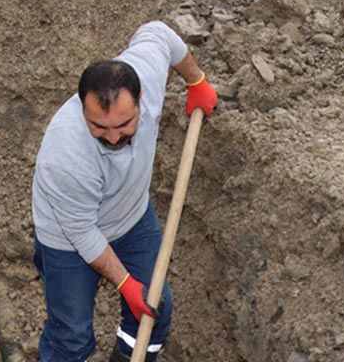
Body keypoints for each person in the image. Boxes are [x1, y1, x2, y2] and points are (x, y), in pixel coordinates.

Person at [31, 21, 218, 362]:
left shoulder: (145, 72)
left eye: (123, 125)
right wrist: (125, 284)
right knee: (71, 337)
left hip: (131, 218)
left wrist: (196, 80)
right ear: (82, 106)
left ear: (141, 98)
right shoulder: (65, 154)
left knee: (154, 312)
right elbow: (82, 232)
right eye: (98, 126)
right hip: (68, 239)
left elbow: (161, 34)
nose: (113, 137)